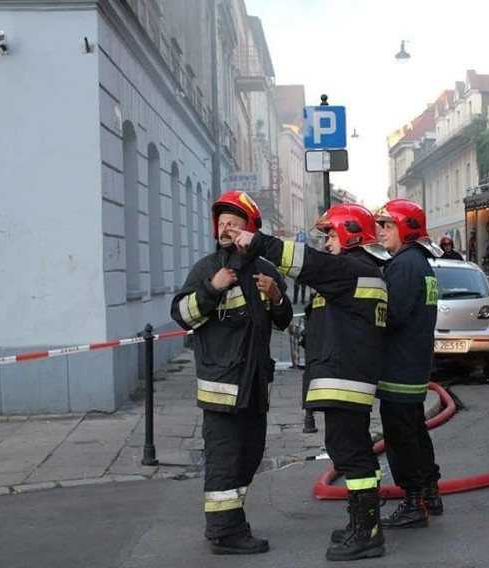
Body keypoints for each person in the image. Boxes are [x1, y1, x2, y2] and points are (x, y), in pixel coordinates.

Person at [228, 203, 387, 562]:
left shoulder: (350, 268)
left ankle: (368, 532)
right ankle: (360, 524)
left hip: (344, 378)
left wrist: (257, 242)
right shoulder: (361, 271)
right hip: (345, 375)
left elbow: (305, 263)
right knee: (350, 450)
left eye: (330, 234)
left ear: (349, 233)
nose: (327, 242)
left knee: (352, 454)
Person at [170, 191, 293, 555]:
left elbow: (284, 321)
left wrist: (275, 297)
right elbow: (182, 316)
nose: (225, 228)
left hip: (255, 386)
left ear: (249, 229)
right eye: (221, 223)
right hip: (221, 388)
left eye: (233, 223)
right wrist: (212, 289)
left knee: (250, 455)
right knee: (224, 461)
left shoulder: (265, 271)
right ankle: (224, 533)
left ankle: (232, 520)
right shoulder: (207, 269)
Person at [372, 199, 443, 530]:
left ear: (406, 228)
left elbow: (391, 316)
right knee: (415, 431)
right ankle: (430, 492)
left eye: (388, 226)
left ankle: (414, 503)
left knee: (401, 438)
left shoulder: (402, 266)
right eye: (381, 226)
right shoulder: (420, 263)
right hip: (414, 364)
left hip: (399, 367)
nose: (381, 232)